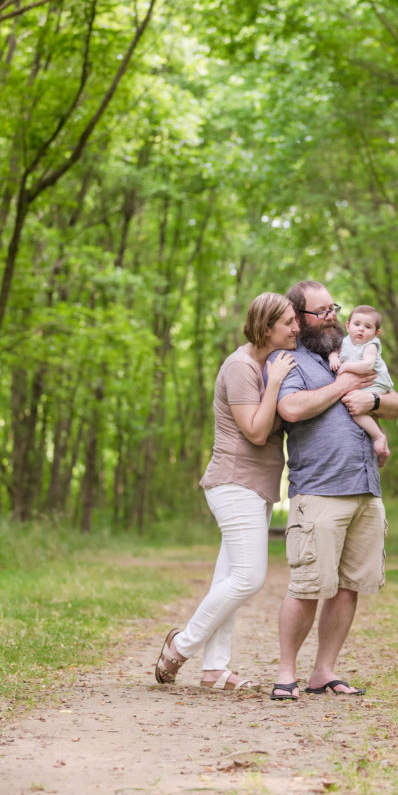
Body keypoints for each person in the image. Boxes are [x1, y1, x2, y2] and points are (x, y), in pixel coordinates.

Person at [154, 292, 298, 691]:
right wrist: (276, 384)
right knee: (249, 578)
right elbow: (253, 431)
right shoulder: (240, 367)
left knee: (228, 579)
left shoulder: (266, 363)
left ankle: (214, 668)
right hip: (234, 482)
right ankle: (180, 646)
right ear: (266, 328)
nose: (296, 327)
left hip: (256, 485)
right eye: (288, 322)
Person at [269, 281, 398, 701]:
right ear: (299, 318)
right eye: (321, 311)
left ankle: (323, 671)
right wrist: (345, 387)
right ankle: (285, 673)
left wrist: (374, 404)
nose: (331, 317)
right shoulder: (287, 360)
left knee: (349, 586)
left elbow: (397, 402)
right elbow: (290, 409)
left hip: (365, 486)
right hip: (320, 489)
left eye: (334, 308)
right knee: (308, 585)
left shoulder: (358, 352)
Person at [328, 304, 393, 466]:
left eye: (368, 327)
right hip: (362, 381)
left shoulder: (370, 345)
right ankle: (378, 443)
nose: (361, 330)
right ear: (348, 326)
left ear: (376, 333)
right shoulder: (346, 341)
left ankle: (379, 437)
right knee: (362, 408)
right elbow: (336, 352)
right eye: (357, 325)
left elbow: (367, 366)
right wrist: (333, 358)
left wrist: (346, 367)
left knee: (354, 405)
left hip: (375, 380)